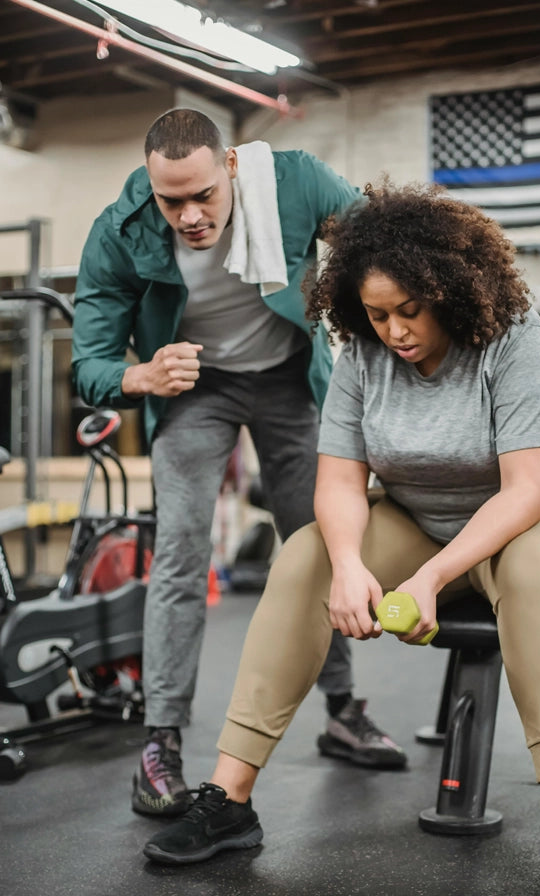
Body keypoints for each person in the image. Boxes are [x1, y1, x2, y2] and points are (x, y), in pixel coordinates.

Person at [141, 180, 540, 896]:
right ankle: (230, 799)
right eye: (376, 314)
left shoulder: (513, 335)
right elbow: (338, 482)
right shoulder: (364, 353)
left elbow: (525, 490)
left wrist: (428, 579)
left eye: (410, 311)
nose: (394, 330)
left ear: (451, 292)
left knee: (527, 568)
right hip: (422, 517)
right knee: (304, 553)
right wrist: (345, 565)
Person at [71, 110, 407, 818]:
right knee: (181, 555)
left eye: (203, 197)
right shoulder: (120, 230)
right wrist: (142, 376)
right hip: (194, 389)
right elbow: (91, 365)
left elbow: (385, 240)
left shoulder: (294, 182)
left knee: (316, 545)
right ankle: (158, 744)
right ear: (152, 188)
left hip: (289, 378)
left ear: (230, 167)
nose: (190, 216)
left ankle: (344, 710)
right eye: (172, 202)